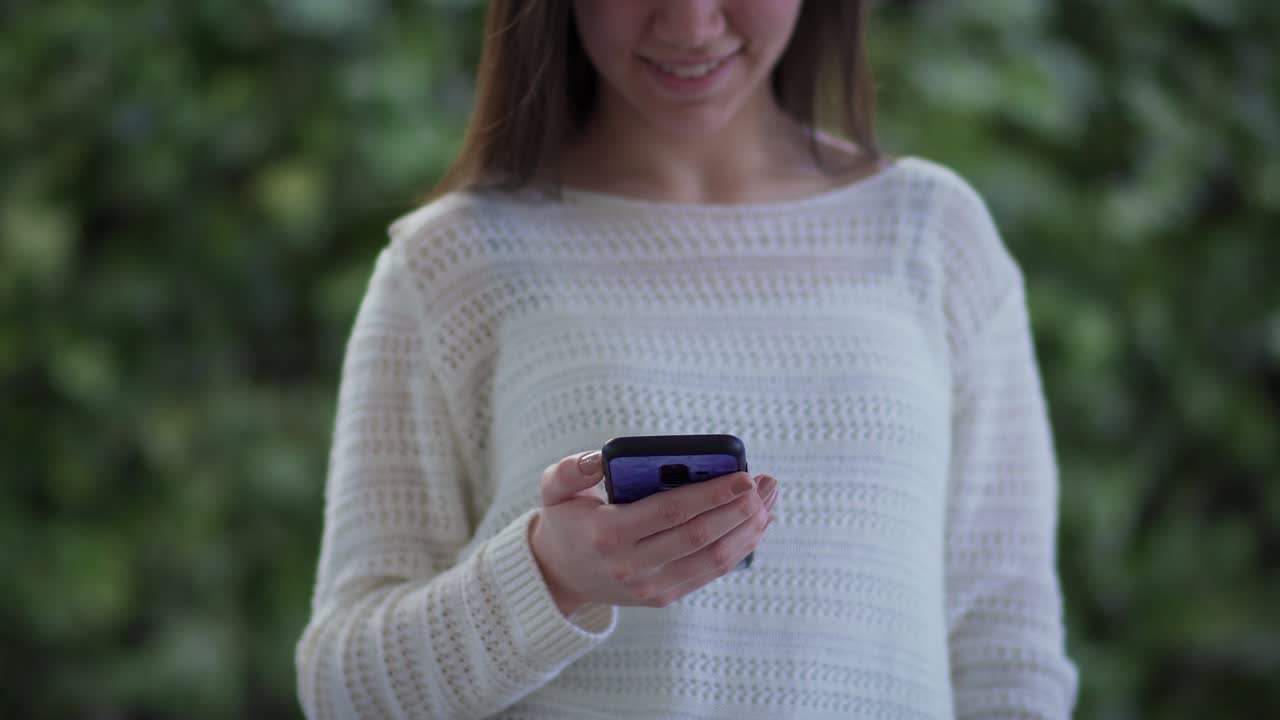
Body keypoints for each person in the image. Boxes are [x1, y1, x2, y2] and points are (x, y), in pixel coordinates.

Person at [294, 1, 1078, 718]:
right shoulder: (454, 263)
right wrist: (548, 577)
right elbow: (342, 690)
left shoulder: (933, 234)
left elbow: (1007, 651)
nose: (692, 24)